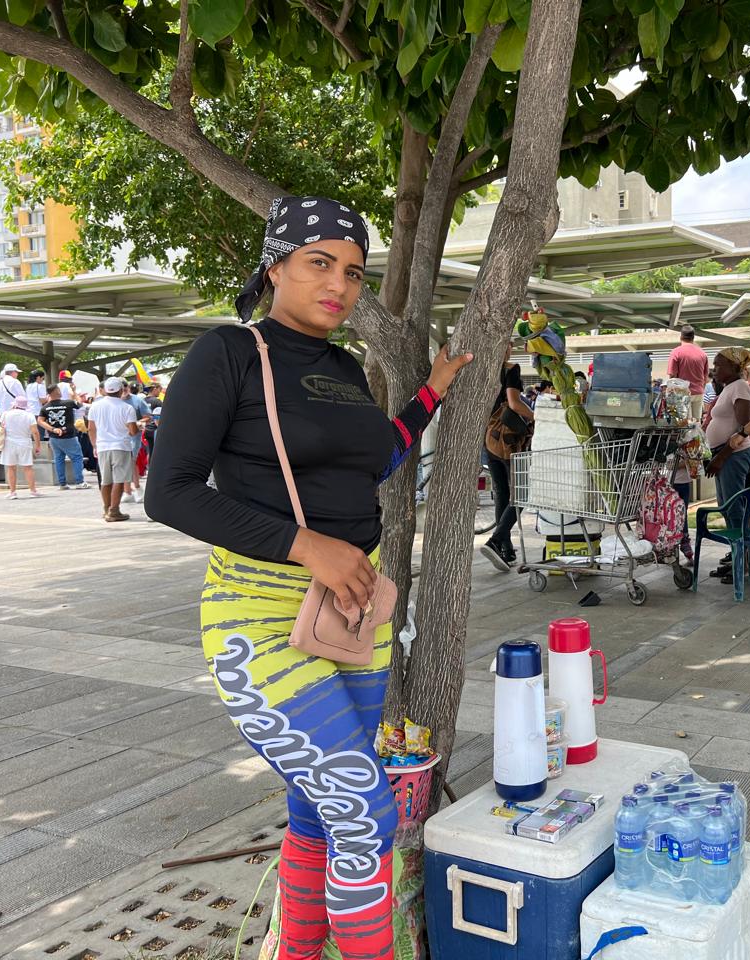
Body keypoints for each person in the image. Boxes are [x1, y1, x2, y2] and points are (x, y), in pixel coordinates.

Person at [145, 195, 470, 960]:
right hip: (260, 618)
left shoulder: (341, 366)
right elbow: (170, 492)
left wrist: (432, 394)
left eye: (354, 272)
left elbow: (378, 455)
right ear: (276, 266)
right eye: (319, 263)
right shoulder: (228, 354)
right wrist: (304, 545)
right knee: (366, 813)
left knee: (320, 810)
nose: (340, 285)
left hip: (354, 614)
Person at [704, 347, 750, 582]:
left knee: (734, 510)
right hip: (723, 456)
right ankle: (735, 556)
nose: (714, 370)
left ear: (735, 367)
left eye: (718, 365)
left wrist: (721, 457)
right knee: (726, 508)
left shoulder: (741, 387)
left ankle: (742, 565)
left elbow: (743, 430)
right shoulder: (729, 387)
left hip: (733, 456)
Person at [479, 346, 533, 571]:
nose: (510, 349)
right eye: (508, 344)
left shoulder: (481, 371)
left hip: (489, 439)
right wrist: (536, 415)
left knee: (502, 492)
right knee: (521, 494)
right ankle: (496, 539)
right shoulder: (510, 369)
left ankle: (506, 549)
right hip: (509, 441)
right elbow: (513, 403)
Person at [87, 377, 140, 521]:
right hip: (121, 446)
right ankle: (114, 511)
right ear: (121, 390)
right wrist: (135, 428)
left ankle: (106, 509)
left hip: (103, 447)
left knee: (106, 480)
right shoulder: (127, 408)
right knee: (120, 480)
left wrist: (94, 445)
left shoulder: (95, 406)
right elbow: (133, 431)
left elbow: (91, 429)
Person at [39, 385, 89, 489]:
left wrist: (52, 429)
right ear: (56, 391)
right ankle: (79, 481)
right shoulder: (68, 403)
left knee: (59, 459)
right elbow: (80, 404)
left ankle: (62, 483)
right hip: (69, 436)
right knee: (77, 457)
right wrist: (74, 392)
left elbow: (40, 421)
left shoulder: (45, 407)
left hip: (54, 437)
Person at [0, 397, 43, 499]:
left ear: (15, 404)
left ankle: (12, 492)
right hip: (24, 442)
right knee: (28, 467)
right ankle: (33, 490)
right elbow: (35, 432)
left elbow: (2, 428)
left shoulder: (6, 414)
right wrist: (38, 445)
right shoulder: (29, 415)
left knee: (11, 467)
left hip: (9, 442)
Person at [668, 324, 709, 399]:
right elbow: (705, 376)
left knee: (684, 411)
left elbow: (672, 375)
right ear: (693, 338)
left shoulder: (676, 352)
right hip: (699, 393)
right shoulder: (703, 353)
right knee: (697, 411)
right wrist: (701, 389)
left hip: (682, 393)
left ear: (681, 337)